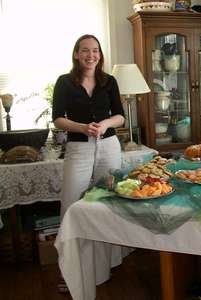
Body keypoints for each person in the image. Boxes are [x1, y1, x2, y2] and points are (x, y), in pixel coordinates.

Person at [52, 34, 125, 292]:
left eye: (95, 50)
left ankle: (106, 263)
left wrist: (105, 124)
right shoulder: (64, 82)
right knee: (72, 205)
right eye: (85, 50)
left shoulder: (109, 82)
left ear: (100, 54)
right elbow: (58, 119)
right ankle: (68, 271)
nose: (91, 55)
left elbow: (120, 117)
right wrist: (82, 127)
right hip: (79, 148)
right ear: (76, 54)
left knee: (106, 204)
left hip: (109, 148)